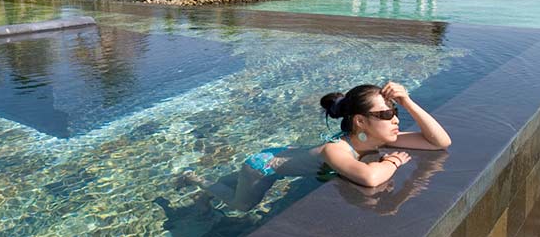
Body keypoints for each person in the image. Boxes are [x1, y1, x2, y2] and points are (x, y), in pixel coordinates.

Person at [184, 81, 452, 213]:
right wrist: (392, 161)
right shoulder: (334, 150)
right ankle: (196, 180)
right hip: (262, 167)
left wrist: (407, 101)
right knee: (240, 206)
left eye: (395, 112)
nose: (394, 119)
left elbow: (440, 142)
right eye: (385, 114)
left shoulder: (380, 137)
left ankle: (205, 192)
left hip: (283, 154)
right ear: (360, 121)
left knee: (235, 185)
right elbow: (370, 178)